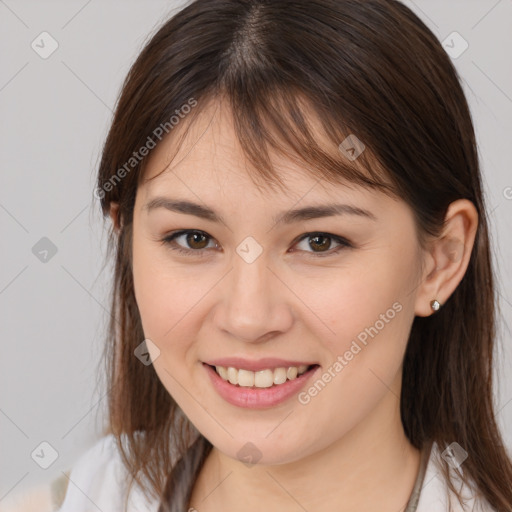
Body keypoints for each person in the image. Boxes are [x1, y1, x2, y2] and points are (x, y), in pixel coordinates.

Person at [55, 0, 512, 511]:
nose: (249, 318)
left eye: (320, 241)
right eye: (193, 238)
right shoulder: (81, 493)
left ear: (440, 261)